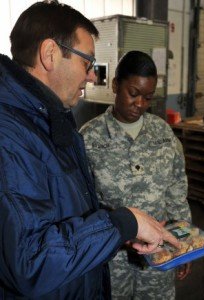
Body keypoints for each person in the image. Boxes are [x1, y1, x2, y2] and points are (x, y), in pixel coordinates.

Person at [0, 2, 180, 299]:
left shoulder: (52, 121)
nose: (92, 77)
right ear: (50, 54)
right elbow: (30, 261)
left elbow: (69, 212)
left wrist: (120, 228)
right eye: (87, 63)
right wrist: (122, 223)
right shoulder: (10, 135)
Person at [80, 51, 192, 300]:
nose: (140, 104)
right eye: (133, 94)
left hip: (158, 255)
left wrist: (183, 245)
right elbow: (81, 204)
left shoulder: (163, 134)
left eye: (148, 97)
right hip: (111, 257)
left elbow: (176, 193)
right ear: (116, 85)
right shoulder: (89, 138)